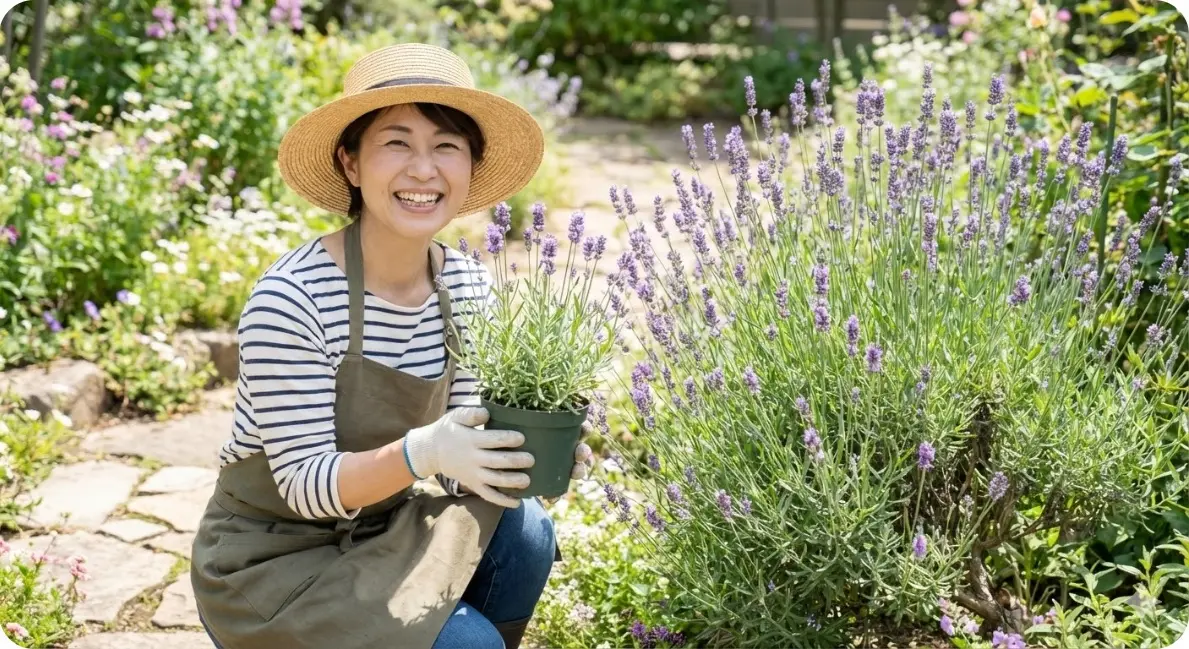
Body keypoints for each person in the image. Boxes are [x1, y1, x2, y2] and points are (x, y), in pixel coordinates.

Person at [190, 42, 594, 649]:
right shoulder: (293, 297)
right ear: (351, 163)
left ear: (471, 167)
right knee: (470, 646)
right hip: (271, 561)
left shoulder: (465, 285)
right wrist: (425, 450)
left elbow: (462, 458)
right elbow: (304, 486)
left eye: (447, 146)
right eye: (397, 142)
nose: (424, 170)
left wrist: (525, 453)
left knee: (526, 531)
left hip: (384, 530)